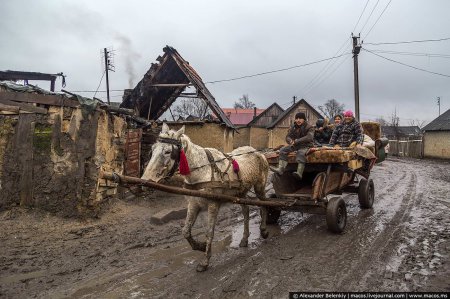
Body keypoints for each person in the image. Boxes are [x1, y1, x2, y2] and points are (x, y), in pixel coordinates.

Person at [270, 112, 314, 180]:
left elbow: (309, 137)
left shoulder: (309, 127)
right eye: (297, 118)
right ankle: (281, 169)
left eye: (300, 118)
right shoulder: (293, 127)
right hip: (296, 145)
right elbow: (288, 136)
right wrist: (290, 141)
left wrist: (296, 141)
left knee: (301, 153)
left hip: (306, 145)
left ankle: (299, 173)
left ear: (304, 119)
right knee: (283, 150)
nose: (298, 120)